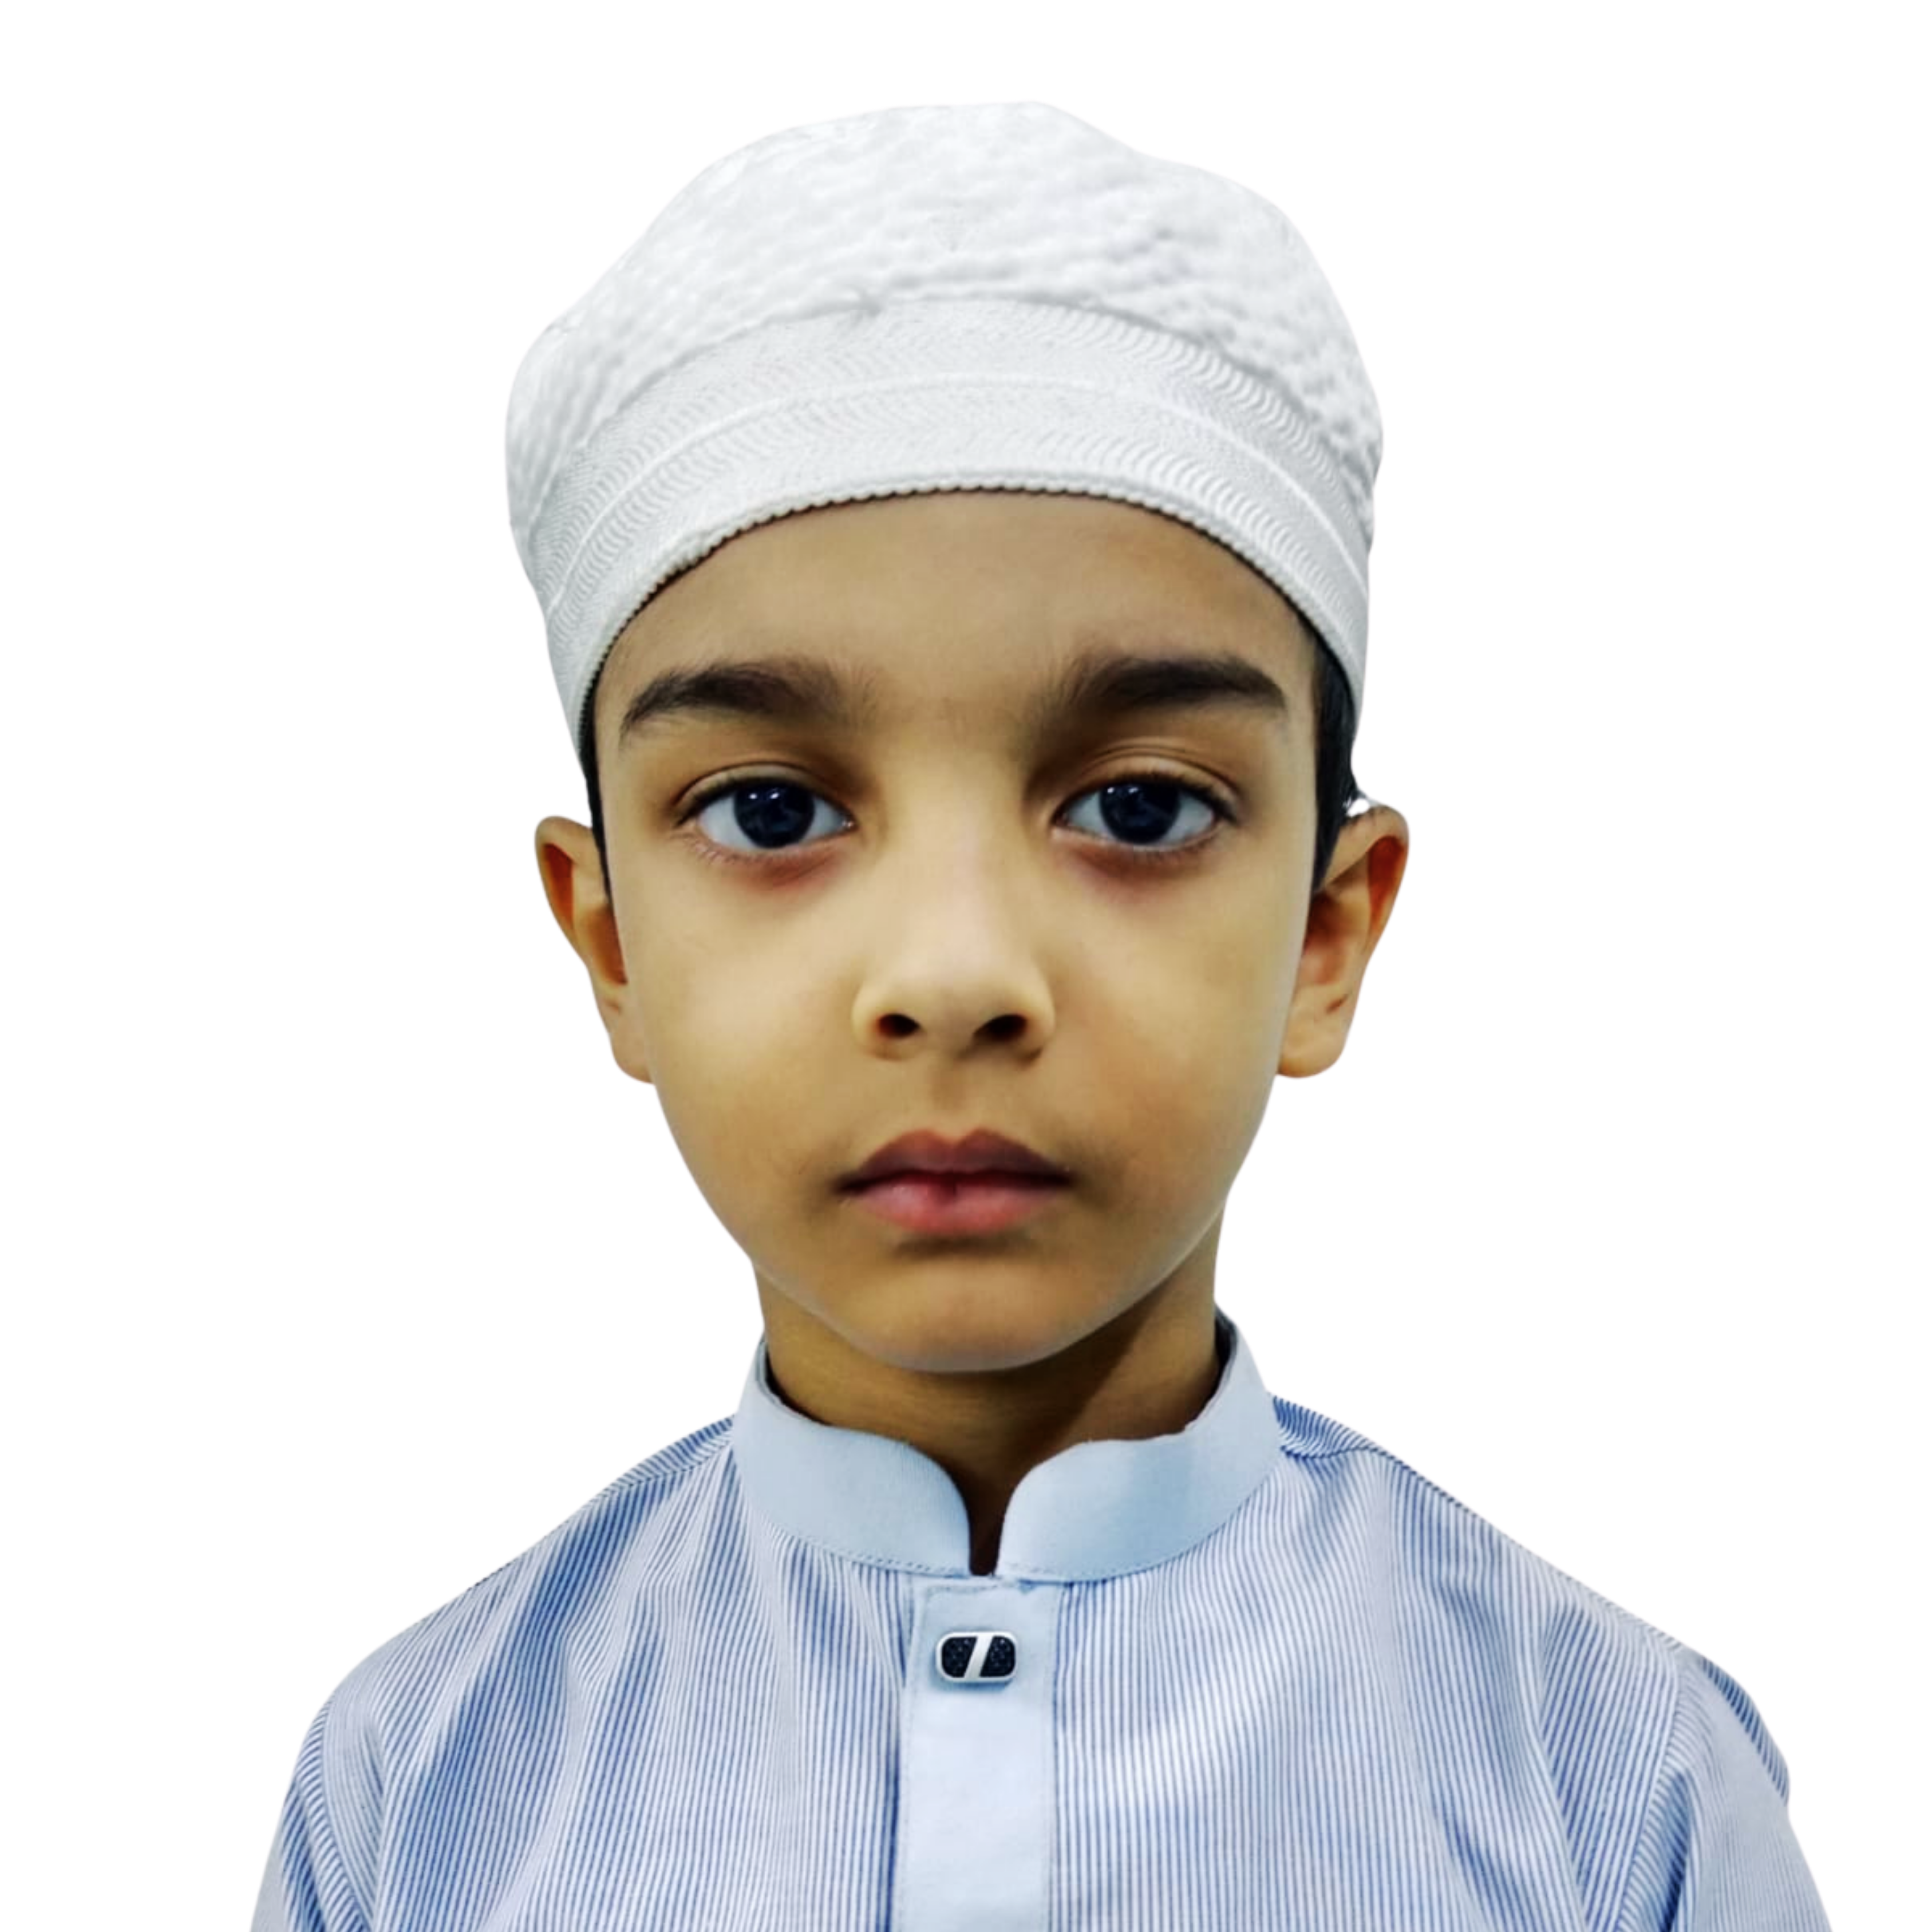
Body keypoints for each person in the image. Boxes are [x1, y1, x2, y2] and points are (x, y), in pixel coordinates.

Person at [250, 100, 1831, 1929]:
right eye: (770, 810)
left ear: (1327, 930)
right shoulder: (425, 1789)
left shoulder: (1607, 1786)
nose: (952, 975)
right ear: (608, 941)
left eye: (1137, 808)